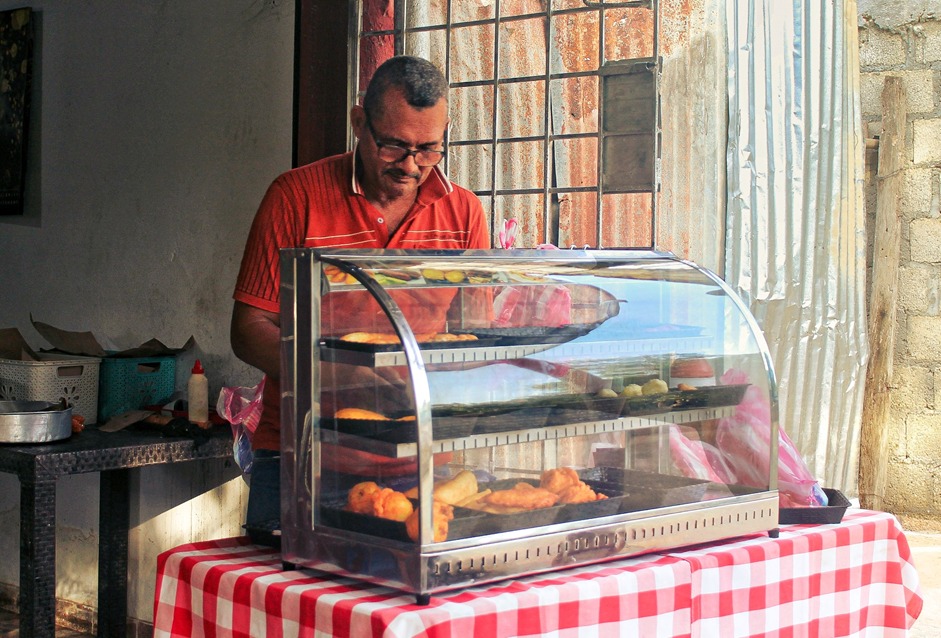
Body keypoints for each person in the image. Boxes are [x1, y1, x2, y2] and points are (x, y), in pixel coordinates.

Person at [231, 56, 490, 527]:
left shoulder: (464, 213)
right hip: (305, 459)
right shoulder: (296, 197)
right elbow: (249, 330)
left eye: (429, 149)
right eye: (394, 146)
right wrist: (345, 376)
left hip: (421, 459)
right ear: (358, 123)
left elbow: (475, 338)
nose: (411, 166)